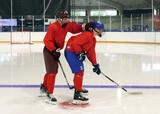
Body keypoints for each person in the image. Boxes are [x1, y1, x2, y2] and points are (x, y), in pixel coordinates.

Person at [40, 9, 89, 104]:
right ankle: (49, 93)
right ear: (59, 19)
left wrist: (84, 26)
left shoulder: (67, 25)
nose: (67, 20)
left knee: (51, 71)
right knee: (52, 72)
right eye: (65, 18)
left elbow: (75, 28)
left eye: (67, 18)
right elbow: (47, 40)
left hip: (56, 50)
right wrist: (53, 50)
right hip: (49, 50)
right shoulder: (53, 27)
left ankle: (44, 87)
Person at [65, 21, 104, 104]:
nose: (101, 31)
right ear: (94, 29)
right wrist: (79, 53)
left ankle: (78, 87)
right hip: (71, 51)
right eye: (100, 29)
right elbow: (75, 43)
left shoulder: (93, 39)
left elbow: (91, 52)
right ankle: (77, 94)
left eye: (102, 30)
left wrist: (95, 64)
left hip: (74, 51)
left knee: (80, 72)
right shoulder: (87, 35)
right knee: (79, 72)